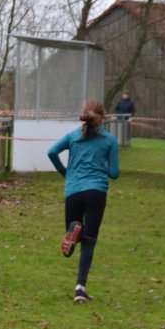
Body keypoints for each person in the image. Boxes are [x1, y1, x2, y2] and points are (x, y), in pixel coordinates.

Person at [47, 99, 120, 304]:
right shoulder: (109, 140)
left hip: (73, 191)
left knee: (74, 230)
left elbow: (51, 152)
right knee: (89, 240)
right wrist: (100, 167)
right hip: (96, 192)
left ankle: (75, 229)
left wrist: (66, 173)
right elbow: (114, 173)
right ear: (102, 117)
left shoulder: (72, 136)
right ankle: (80, 288)